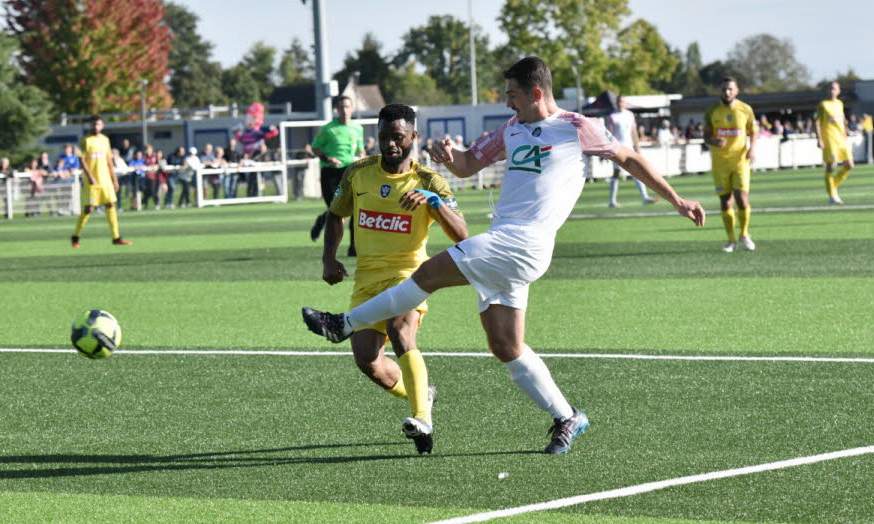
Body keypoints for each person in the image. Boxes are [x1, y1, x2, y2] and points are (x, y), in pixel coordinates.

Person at [302, 57, 706, 455]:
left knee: (428, 273)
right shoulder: (511, 129)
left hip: (527, 240)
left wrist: (676, 200)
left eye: (512, 94)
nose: (507, 101)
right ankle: (567, 416)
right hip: (505, 240)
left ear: (535, 92)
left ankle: (345, 324)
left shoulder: (576, 127)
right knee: (505, 346)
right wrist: (448, 156)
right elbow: (466, 166)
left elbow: (630, 158)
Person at [318, 104, 469, 454]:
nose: (390, 145)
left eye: (398, 138)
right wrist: (329, 257)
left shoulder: (430, 181)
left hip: (410, 274)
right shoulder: (358, 173)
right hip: (366, 279)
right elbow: (336, 215)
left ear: (413, 137)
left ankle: (422, 420)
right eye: (384, 137)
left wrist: (435, 203)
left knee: (402, 332)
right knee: (367, 360)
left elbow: (462, 233)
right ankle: (422, 395)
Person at [704, 77, 758, 253]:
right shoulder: (712, 111)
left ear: (736, 91)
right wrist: (713, 140)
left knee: (742, 199)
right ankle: (731, 240)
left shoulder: (745, 109)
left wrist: (752, 149)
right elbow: (705, 136)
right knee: (725, 201)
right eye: (724, 89)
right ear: (720, 91)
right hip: (720, 163)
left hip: (740, 160)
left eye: (730, 89)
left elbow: (753, 131)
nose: (727, 92)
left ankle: (744, 234)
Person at [308, 95, 364, 255]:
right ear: (336, 110)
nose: (344, 110)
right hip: (330, 173)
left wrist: (362, 156)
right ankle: (322, 221)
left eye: (347, 107)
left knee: (355, 208)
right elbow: (315, 148)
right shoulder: (328, 129)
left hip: (349, 172)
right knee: (336, 210)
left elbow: (360, 149)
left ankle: (353, 247)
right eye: (341, 107)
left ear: (352, 108)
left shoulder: (358, 128)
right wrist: (328, 158)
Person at [71, 114, 129, 247]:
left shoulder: (105, 140)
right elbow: (82, 160)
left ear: (102, 125)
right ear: (90, 125)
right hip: (92, 181)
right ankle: (75, 236)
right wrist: (90, 176)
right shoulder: (85, 140)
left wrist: (114, 179)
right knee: (89, 208)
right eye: (93, 124)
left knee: (111, 205)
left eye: (98, 124)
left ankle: (116, 237)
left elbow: (109, 161)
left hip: (106, 180)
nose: (95, 126)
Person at [604, 96, 656, 208]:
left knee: (636, 171)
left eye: (622, 101)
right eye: (618, 101)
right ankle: (612, 201)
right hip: (617, 148)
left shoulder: (630, 115)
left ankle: (645, 197)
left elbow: (634, 132)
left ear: (625, 103)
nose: (620, 103)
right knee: (616, 173)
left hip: (629, 147)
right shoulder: (612, 116)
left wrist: (637, 148)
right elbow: (609, 134)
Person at [815, 81, 855, 204]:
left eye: (834, 89)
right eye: (830, 89)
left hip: (841, 139)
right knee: (831, 167)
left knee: (849, 165)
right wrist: (819, 139)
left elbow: (842, 119)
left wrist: (846, 130)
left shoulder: (839, 103)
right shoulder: (823, 105)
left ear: (839, 91)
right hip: (830, 139)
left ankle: (833, 186)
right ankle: (832, 195)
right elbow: (817, 122)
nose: (832, 91)